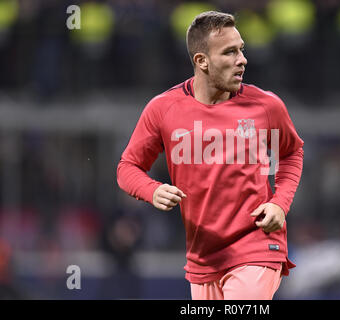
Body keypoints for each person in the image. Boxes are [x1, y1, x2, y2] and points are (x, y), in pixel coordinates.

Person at [117, 11, 304, 300]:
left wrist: (279, 203)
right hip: (203, 257)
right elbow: (128, 167)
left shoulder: (266, 106)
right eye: (230, 52)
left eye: (241, 49)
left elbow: (291, 153)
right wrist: (151, 191)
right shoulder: (164, 109)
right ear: (201, 61)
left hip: (257, 245)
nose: (242, 59)